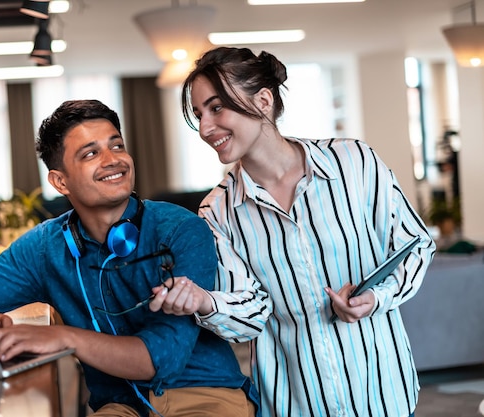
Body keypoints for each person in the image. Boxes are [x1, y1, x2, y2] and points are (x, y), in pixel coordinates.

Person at [149, 47, 436, 417]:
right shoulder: (217, 211)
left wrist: (377, 297)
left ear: (264, 100)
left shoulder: (354, 162)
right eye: (199, 114)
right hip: (295, 403)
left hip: (383, 393)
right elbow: (251, 311)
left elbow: (415, 245)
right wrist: (205, 301)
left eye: (216, 108)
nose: (205, 128)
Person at [0, 99, 258, 417]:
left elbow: (161, 358)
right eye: (90, 153)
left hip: (205, 394)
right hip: (122, 405)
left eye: (116, 146)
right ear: (61, 181)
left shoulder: (181, 229)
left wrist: (64, 338)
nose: (113, 160)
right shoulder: (45, 246)